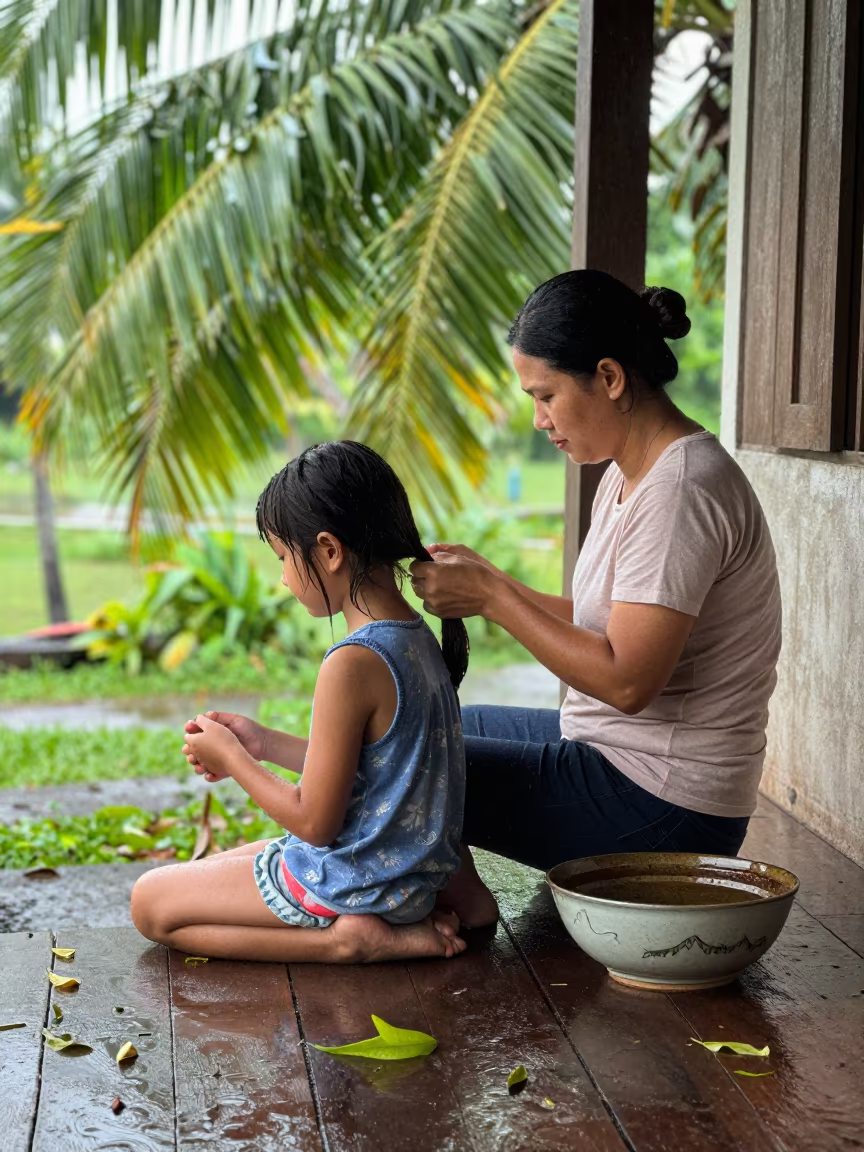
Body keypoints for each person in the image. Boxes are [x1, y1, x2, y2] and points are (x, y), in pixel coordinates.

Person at [410, 269, 782, 930]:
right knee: (428, 725)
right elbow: (602, 627)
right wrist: (491, 582)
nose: (538, 419)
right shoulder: (631, 471)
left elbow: (628, 680)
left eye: (546, 394)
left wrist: (494, 598)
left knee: (412, 762)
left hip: (664, 809)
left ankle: (417, 912)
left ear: (609, 378)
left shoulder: (681, 491)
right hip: (618, 759)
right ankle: (440, 895)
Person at [131, 441, 470, 963]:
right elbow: (377, 765)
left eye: (284, 558)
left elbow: (314, 822)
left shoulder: (353, 660)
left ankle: (344, 942)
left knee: (150, 902)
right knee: (211, 870)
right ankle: (360, 930)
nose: (284, 578)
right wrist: (262, 742)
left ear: (329, 551)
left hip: (358, 885)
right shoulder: (415, 636)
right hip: (404, 880)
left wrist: (234, 762)